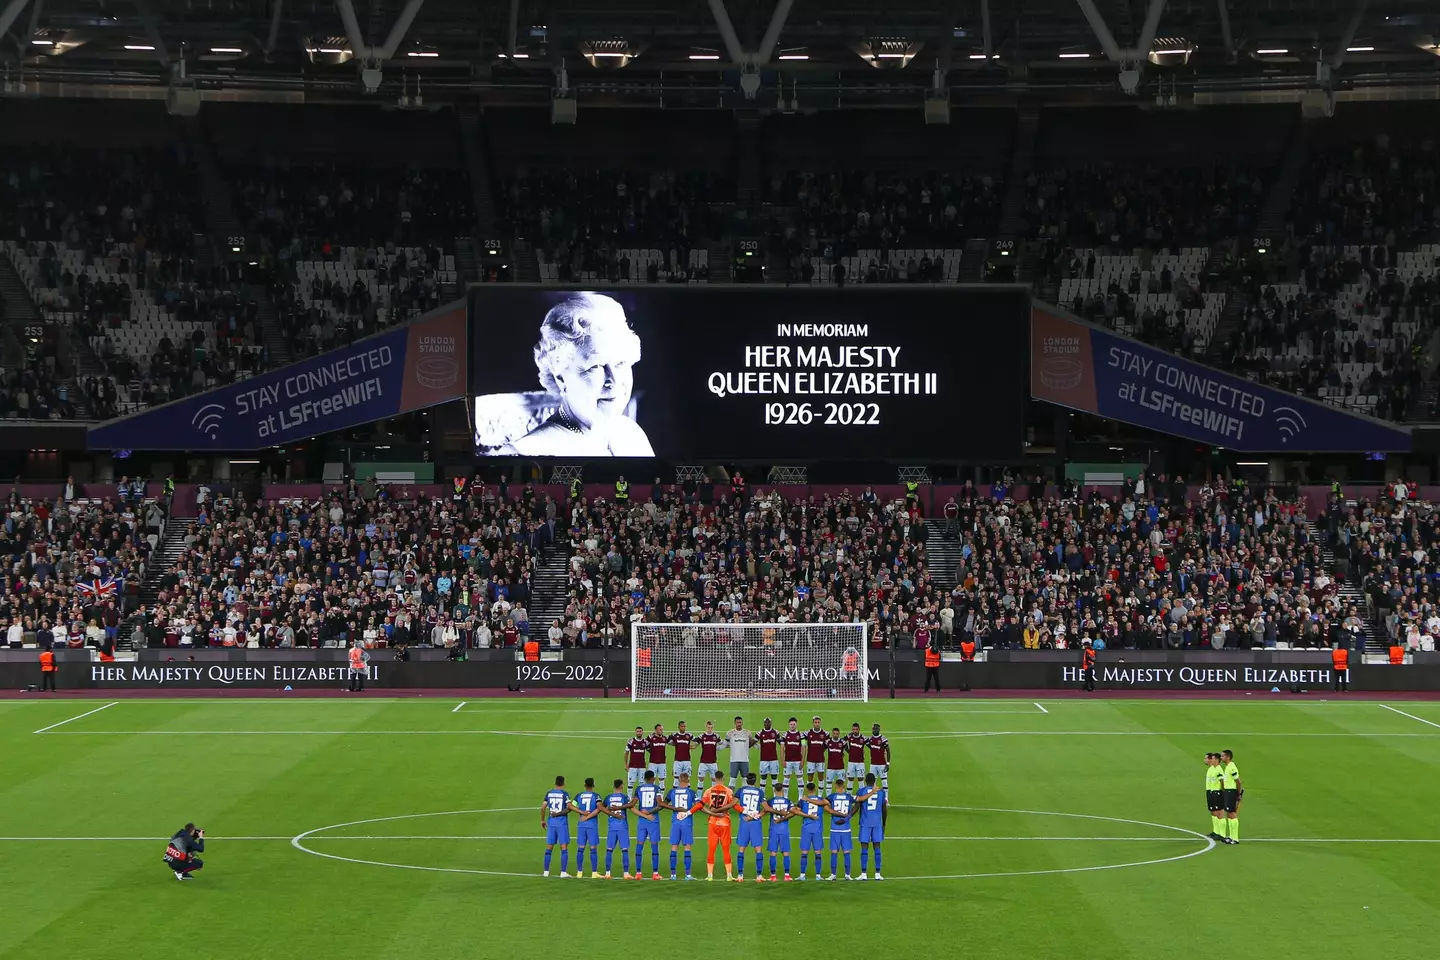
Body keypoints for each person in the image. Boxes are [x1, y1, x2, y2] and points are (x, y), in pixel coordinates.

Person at [496, 293, 655, 456]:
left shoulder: (633, 435)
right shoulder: (527, 453)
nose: (613, 381)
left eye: (620, 363)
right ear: (560, 378)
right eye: (596, 366)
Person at [695, 776, 737, 881]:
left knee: (711, 849)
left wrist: (710, 812)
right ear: (723, 778)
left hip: (712, 822)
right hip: (725, 822)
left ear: (714, 779)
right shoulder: (728, 791)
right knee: (726, 849)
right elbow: (733, 804)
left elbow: (700, 805)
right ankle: (729, 875)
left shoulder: (708, 791)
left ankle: (710, 876)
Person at [661, 772, 700, 879]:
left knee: (674, 847)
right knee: (687, 847)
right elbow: (698, 806)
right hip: (686, 822)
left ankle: (673, 874)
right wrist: (689, 811)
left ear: (679, 780)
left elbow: (663, 804)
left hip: (675, 822)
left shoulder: (672, 792)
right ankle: (688, 874)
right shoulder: (691, 792)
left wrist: (674, 808)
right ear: (688, 780)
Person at [817, 780, 858, 880]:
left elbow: (822, 803)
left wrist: (830, 811)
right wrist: (848, 817)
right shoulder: (849, 797)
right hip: (846, 828)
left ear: (835, 785)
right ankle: (847, 875)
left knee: (834, 852)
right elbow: (858, 803)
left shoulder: (832, 796)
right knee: (846, 852)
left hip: (834, 828)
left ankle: (833, 875)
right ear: (843, 786)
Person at [734, 773, 767, 881]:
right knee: (758, 849)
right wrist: (755, 816)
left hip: (744, 822)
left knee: (741, 849)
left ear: (746, 780)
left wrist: (745, 812)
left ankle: (740, 876)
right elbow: (766, 808)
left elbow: (734, 804)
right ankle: (759, 876)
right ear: (755, 780)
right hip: (755, 823)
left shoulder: (741, 790)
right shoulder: (760, 792)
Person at [541, 775, 575, 877]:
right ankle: (563, 872)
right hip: (561, 823)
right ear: (563, 783)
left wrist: (542, 820)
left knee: (549, 847)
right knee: (563, 847)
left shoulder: (549, 793)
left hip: (551, 822)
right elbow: (569, 808)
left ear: (555, 783)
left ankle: (546, 872)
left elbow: (543, 808)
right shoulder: (564, 794)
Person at [856, 773, 888, 880]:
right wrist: (883, 823)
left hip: (865, 822)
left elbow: (857, 807)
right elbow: (884, 809)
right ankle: (877, 874)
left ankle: (863, 874)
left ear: (865, 781)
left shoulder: (861, 791)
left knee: (864, 847)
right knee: (877, 846)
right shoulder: (881, 792)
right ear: (874, 781)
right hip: (877, 823)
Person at [633, 770, 663, 879]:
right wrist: (649, 812)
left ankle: (638, 873)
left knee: (639, 844)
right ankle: (655, 873)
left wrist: (642, 813)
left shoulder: (638, 789)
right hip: (653, 820)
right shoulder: (656, 788)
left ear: (644, 778)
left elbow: (632, 804)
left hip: (642, 820)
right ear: (653, 779)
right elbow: (660, 805)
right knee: (654, 846)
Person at [762, 788, 796, 881]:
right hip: (784, 829)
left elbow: (764, 811)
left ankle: (773, 876)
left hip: (773, 829)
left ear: (774, 791)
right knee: (786, 853)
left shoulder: (771, 801)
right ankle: (787, 875)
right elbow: (793, 812)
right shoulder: (788, 801)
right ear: (783, 791)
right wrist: (783, 819)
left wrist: (756, 816)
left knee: (773, 853)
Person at [601, 778, 633, 879]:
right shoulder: (624, 797)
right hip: (622, 825)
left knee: (609, 850)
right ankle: (626, 873)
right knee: (624, 850)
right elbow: (630, 806)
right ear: (622, 786)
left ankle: (607, 873)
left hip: (612, 826)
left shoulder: (608, 797)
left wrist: (611, 812)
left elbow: (601, 808)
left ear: (614, 786)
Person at [796, 780, 826, 881]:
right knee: (818, 853)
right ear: (815, 789)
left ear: (807, 790)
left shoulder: (803, 800)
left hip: (806, 829)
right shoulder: (821, 800)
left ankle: (802, 875)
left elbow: (796, 811)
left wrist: (806, 815)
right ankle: (818, 875)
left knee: (804, 852)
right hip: (817, 829)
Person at [573, 777, 603, 878]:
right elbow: (599, 808)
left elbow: (571, 806)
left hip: (581, 824)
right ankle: (594, 873)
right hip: (591, 825)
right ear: (593, 785)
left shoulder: (579, 796)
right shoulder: (596, 796)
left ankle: (579, 873)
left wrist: (582, 813)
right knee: (593, 848)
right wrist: (588, 817)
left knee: (580, 848)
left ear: (585, 785)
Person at [1219, 749, 1243, 844]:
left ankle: (1235, 838)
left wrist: (1238, 793)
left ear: (1228, 757)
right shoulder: (1228, 767)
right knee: (1229, 813)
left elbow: (1238, 781)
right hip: (1228, 792)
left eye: (1223, 756)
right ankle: (1231, 836)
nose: (1221, 758)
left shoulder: (1232, 767)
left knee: (1232, 814)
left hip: (1232, 792)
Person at [724, 715, 752, 788]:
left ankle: (744, 797)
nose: (739, 724)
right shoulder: (729, 733)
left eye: (740, 722)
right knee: (732, 780)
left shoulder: (748, 733)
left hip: (745, 760)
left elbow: (751, 743)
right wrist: (715, 748)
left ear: (742, 723)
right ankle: (730, 798)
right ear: (734, 723)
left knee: (745, 780)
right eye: (737, 722)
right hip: (734, 760)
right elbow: (725, 744)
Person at [755, 717, 781, 794]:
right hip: (763, 759)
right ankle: (762, 796)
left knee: (774, 778)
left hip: (774, 759)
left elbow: (781, 743)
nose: (767, 723)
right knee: (763, 778)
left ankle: (775, 795)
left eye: (768, 722)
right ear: (764, 723)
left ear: (771, 723)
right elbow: (753, 742)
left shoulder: (775, 732)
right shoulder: (760, 733)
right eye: (766, 722)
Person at [1204, 753, 1226, 841]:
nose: (1211, 760)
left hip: (1217, 792)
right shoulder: (1212, 769)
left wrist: (1222, 791)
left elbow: (1222, 781)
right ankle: (1216, 832)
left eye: (1212, 759)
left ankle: (1222, 834)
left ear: (1216, 760)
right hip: (1211, 791)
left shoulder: (1219, 769)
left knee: (1219, 813)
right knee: (1213, 812)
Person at [780, 717, 805, 797]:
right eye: (791, 724)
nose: (792, 726)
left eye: (794, 724)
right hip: (788, 761)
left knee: (800, 779)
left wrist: (802, 760)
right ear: (789, 725)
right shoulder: (785, 735)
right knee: (786, 779)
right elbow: (782, 748)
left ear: (796, 724)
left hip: (798, 760)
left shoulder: (801, 735)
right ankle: (785, 797)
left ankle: (800, 798)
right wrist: (782, 760)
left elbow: (804, 747)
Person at [667, 720, 695, 785]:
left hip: (687, 760)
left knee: (687, 778)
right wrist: (674, 744)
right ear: (679, 727)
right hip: (677, 761)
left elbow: (697, 740)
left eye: (684, 726)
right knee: (676, 778)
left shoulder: (689, 735)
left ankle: (687, 794)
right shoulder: (675, 735)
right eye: (682, 726)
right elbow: (667, 740)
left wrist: (694, 746)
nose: (683, 727)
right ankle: (675, 794)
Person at [696, 719, 721, 788]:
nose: (710, 729)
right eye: (708, 727)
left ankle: (712, 794)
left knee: (714, 779)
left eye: (711, 728)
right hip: (703, 762)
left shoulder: (716, 736)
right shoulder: (701, 736)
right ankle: (699, 795)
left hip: (713, 762)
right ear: (706, 727)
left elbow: (722, 743)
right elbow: (695, 744)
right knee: (701, 779)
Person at [866, 722, 891, 792]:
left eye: (876, 729)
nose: (874, 730)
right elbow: (869, 746)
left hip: (882, 764)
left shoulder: (883, 739)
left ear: (879, 729)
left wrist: (888, 763)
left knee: (884, 782)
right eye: (873, 729)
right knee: (872, 783)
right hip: (873, 764)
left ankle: (886, 800)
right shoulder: (870, 739)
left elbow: (888, 751)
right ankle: (873, 798)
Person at [803, 715, 827, 784]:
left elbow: (828, 745)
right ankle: (810, 794)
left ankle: (820, 795)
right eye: (815, 722)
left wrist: (821, 750)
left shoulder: (825, 733)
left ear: (820, 723)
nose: (817, 724)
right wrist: (804, 746)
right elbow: (803, 741)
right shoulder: (807, 733)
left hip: (821, 760)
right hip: (810, 759)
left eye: (818, 722)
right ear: (813, 723)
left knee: (821, 778)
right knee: (810, 778)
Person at [845, 722, 867, 792]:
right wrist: (848, 751)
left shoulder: (863, 738)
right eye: (853, 729)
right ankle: (849, 795)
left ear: (859, 729)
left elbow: (871, 745)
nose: (855, 731)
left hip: (860, 762)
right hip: (851, 762)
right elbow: (842, 741)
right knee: (850, 779)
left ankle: (862, 796)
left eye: (856, 729)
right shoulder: (849, 736)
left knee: (861, 779)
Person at [647, 723, 669, 789]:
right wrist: (651, 751)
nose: (662, 731)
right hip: (652, 763)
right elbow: (645, 745)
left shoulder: (664, 738)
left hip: (662, 762)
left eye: (662, 729)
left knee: (662, 780)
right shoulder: (650, 738)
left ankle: (661, 797)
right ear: (656, 730)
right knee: (651, 779)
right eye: (660, 730)